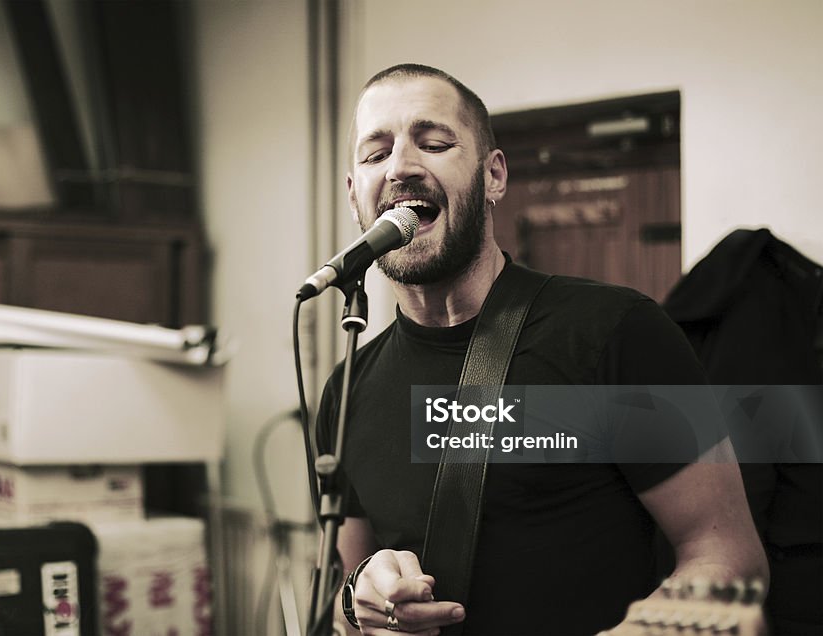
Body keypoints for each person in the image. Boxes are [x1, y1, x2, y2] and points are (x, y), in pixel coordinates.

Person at [315, 64, 768, 636]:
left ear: (494, 176)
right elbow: (341, 594)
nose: (402, 166)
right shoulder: (347, 385)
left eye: (433, 144)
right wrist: (363, 600)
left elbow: (730, 561)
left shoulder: (618, 331)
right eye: (375, 154)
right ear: (356, 195)